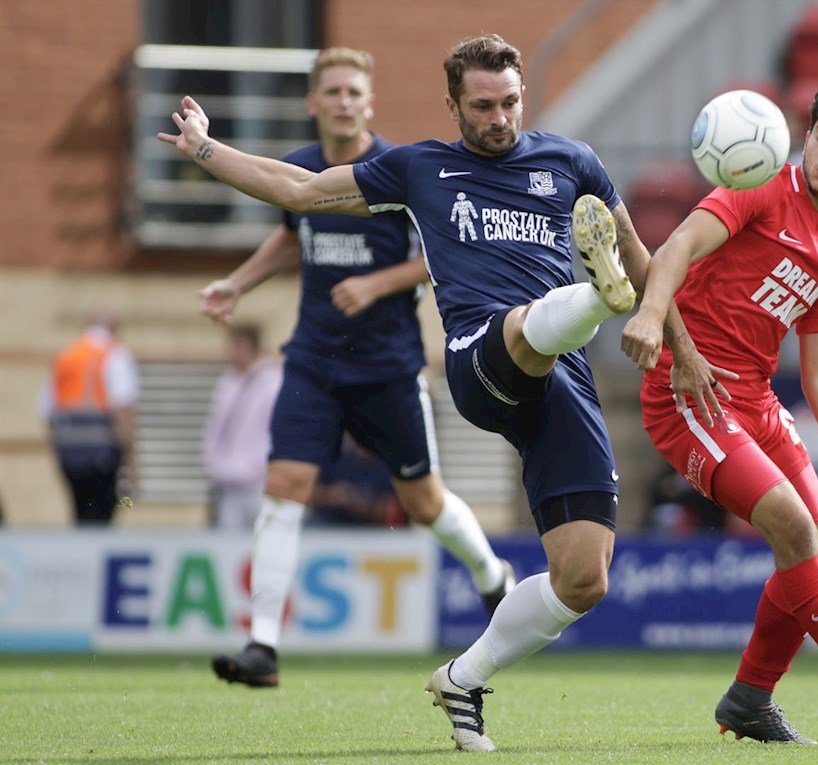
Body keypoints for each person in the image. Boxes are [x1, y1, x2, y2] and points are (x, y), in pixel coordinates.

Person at [159, 35, 716, 751]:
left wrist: (681, 347)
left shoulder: (571, 160)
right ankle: (593, 298)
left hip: (564, 380)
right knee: (524, 325)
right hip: (479, 355)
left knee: (584, 579)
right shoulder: (417, 167)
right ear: (451, 104)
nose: (500, 118)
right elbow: (296, 189)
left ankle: (463, 677)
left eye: (510, 102)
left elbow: (645, 260)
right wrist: (206, 148)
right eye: (482, 106)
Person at [620, 84, 818, 745]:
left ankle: (750, 697)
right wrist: (653, 316)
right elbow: (677, 245)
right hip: (692, 391)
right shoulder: (761, 184)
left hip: (757, 400)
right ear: (806, 136)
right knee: (792, 527)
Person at [183, 47, 514, 691]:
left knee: (423, 503)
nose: (342, 100)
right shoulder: (300, 170)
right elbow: (291, 232)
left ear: (369, 102)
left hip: (389, 367)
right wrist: (238, 284)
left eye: (352, 91)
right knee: (283, 486)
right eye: (330, 90)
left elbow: (440, 253)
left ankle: (492, 576)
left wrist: (376, 283)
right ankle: (263, 647)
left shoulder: (399, 169)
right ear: (313, 102)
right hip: (312, 361)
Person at [40, 307, 139, 525]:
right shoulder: (114, 353)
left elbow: (47, 411)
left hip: (70, 458)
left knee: (81, 513)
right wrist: (131, 460)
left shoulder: (66, 356)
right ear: (114, 327)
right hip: (102, 456)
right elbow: (123, 409)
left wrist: (58, 452)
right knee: (103, 513)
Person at [202, 324, 282, 530]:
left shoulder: (273, 383)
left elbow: (276, 430)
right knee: (228, 543)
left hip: (259, 482)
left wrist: (262, 465)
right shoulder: (228, 384)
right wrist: (214, 464)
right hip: (228, 482)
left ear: (247, 346)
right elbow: (215, 429)